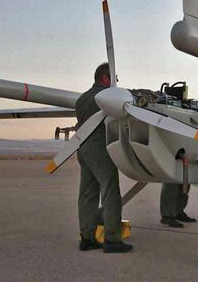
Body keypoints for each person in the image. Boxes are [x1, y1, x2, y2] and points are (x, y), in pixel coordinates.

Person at [76, 63, 133, 253]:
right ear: (105, 79)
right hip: (100, 148)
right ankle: (112, 239)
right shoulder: (104, 97)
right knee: (110, 192)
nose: (117, 84)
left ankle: (87, 238)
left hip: (83, 148)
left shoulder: (81, 99)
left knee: (87, 194)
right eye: (114, 79)